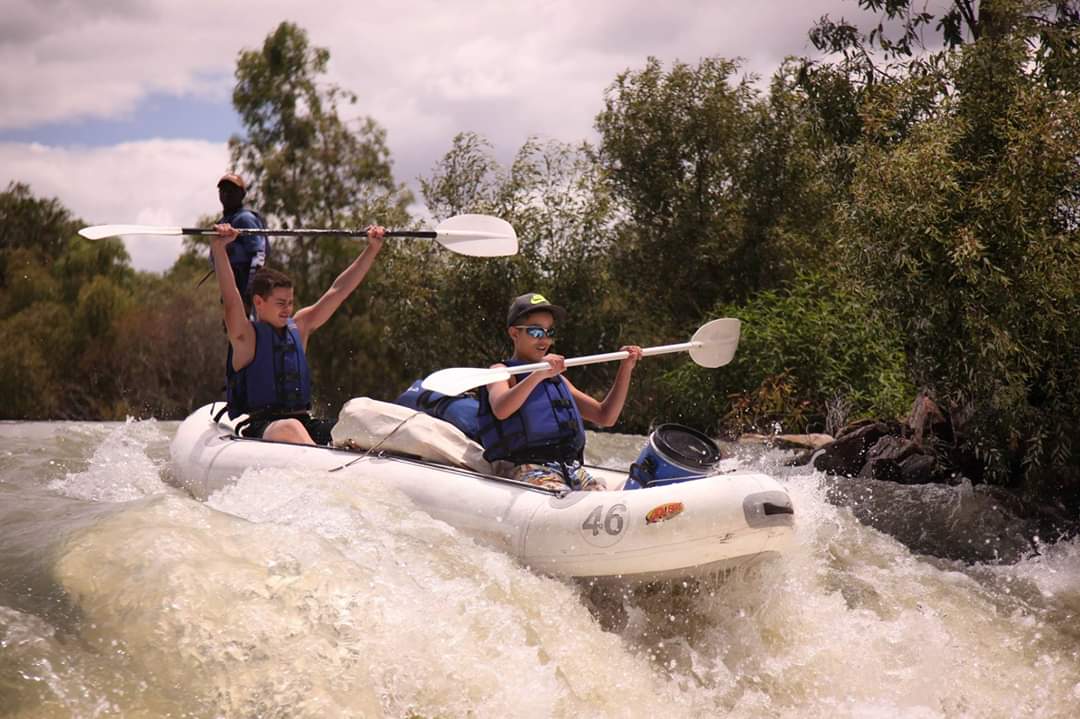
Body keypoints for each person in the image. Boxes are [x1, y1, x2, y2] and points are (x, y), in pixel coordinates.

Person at [210, 221, 385, 445]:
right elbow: (231, 299)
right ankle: (325, 469)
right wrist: (219, 249)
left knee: (353, 423)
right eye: (280, 302)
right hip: (261, 426)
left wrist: (372, 249)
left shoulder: (300, 327)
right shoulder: (246, 337)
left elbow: (339, 291)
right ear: (259, 302)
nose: (288, 309)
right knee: (291, 427)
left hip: (304, 423)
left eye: (291, 302)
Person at [476, 292, 643, 491]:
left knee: (604, 496)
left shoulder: (556, 378)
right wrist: (537, 375)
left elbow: (605, 416)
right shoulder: (501, 371)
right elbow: (501, 408)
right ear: (514, 333)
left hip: (569, 469)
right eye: (536, 332)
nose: (545, 340)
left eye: (550, 332)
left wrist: (626, 368)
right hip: (525, 467)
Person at [210, 173, 268, 316]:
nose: (226, 193)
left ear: (242, 194)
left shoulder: (245, 219)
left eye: (232, 190)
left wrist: (250, 292)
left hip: (245, 288)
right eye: (223, 190)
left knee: (248, 332)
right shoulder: (222, 222)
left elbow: (259, 255)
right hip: (231, 286)